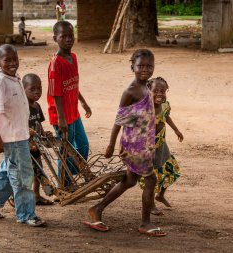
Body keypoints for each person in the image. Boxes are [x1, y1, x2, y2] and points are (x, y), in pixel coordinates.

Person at [84, 49, 167, 237]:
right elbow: (119, 120)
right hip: (135, 145)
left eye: (149, 66)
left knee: (129, 181)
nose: (145, 69)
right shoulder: (131, 91)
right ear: (132, 67)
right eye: (141, 66)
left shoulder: (147, 87)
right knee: (151, 179)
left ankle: (97, 209)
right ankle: (145, 223)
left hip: (142, 144)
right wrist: (111, 144)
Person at [0, 44, 45, 227]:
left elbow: (16, 110)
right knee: (23, 175)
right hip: (11, 138)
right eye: (7, 60)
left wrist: (26, 129)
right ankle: (26, 214)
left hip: (19, 134)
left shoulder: (14, 78)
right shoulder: (1, 82)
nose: (12, 63)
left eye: (15, 59)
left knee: (8, 172)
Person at [47, 21, 92, 187]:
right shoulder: (55, 63)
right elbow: (55, 92)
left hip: (74, 112)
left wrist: (84, 103)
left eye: (70, 35)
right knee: (65, 150)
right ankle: (64, 184)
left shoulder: (73, 57)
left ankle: (70, 175)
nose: (68, 39)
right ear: (55, 38)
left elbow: (73, 84)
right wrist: (61, 118)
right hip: (62, 116)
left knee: (83, 145)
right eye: (63, 36)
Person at [8, 73, 54, 207]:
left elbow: (38, 124)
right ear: (23, 89)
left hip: (36, 145)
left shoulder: (37, 106)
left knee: (38, 170)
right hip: (24, 145)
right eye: (32, 89)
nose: (37, 92)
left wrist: (44, 133)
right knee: (22, 173)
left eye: (39, 88)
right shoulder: (22, 107)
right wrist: (28, 132)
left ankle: (36, 195)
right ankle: (13, 197)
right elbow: (17, 125)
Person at [139, 77, 183, 215]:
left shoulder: (165, 106)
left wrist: (176, 129)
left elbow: (167, 117)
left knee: (169, 169)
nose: (159, 94)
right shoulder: (146, 109)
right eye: (155, 91)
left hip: (162, 145)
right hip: (149, 148)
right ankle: (151, 205)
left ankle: (160, 195)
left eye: (163, 91)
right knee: (152, 178)